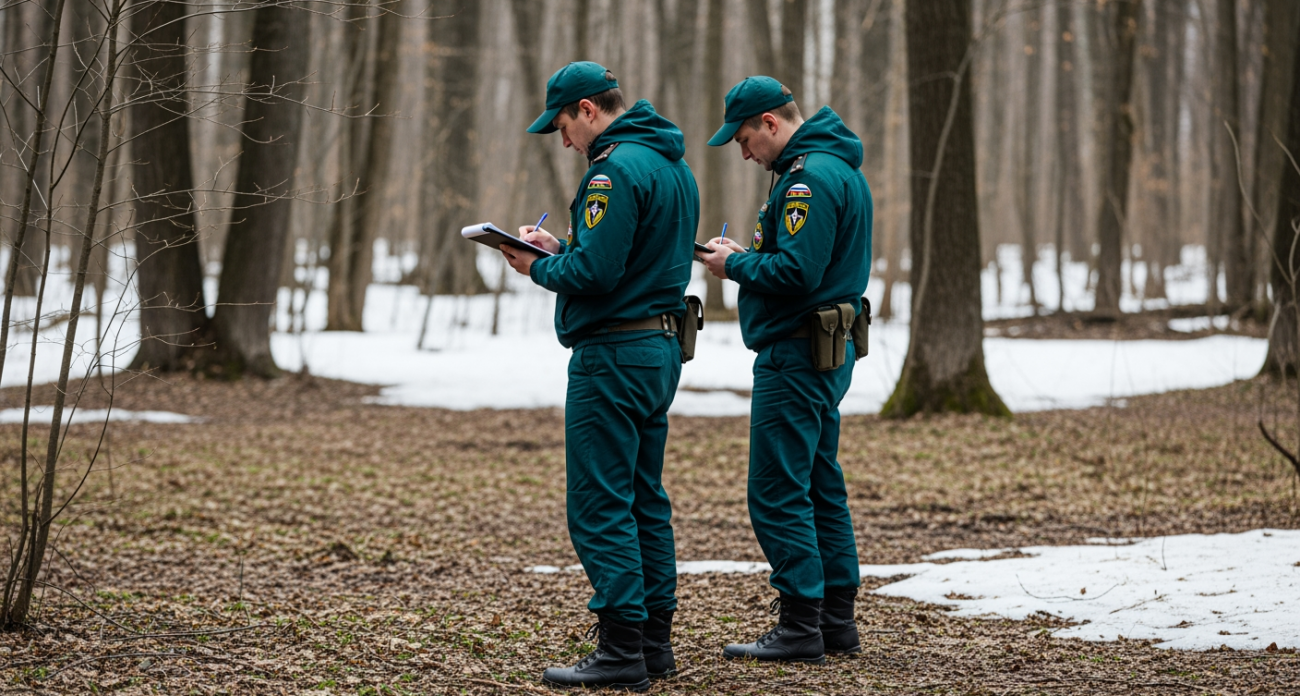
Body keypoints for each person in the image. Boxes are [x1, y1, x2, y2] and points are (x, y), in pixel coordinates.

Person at [499, 61, 700, 691]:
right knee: (644, 498)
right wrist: (564, 250)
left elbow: (598, 275)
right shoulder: (673, 166)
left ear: (588, 109)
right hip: (660, 346)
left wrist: (536, 267)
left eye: (563, 125)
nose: (564, 142)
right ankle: (652, 643)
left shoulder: (611, 169)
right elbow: (629, 258)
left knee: (599, 502)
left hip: (613, 354)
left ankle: (619, 649)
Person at [698, 76, 872, 664]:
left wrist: (737, 264)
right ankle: (834, 619)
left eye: (746, 139)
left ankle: (800, 623)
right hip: (824, 347)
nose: (745, 153)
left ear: (772, 123)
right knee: (820, 482)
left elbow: (796, 271)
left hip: (797, 352)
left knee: (776, 489)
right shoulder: (835, 169)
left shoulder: (808, 180)